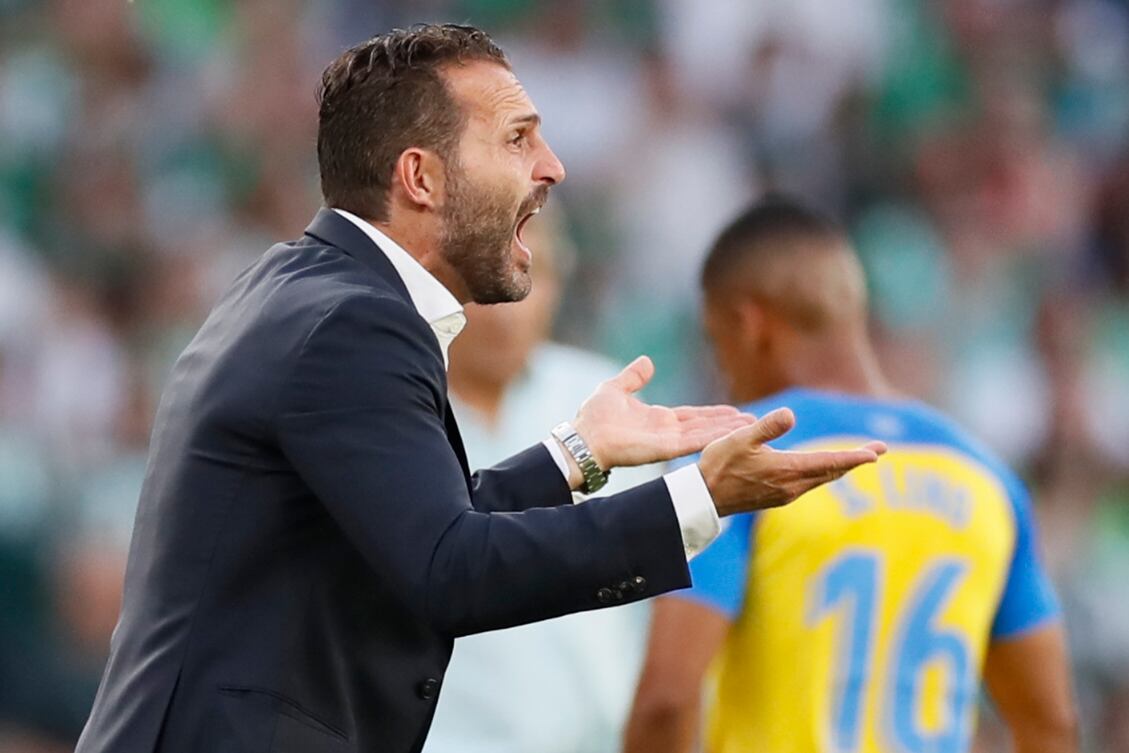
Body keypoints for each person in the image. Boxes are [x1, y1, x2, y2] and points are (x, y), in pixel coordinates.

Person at [75, 26, 885, 753]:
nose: (553, 166)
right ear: (421, 177)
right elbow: (449, 568)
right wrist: (696, 499)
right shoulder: (354, 323)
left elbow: (419, 523)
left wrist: (577, 454)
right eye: (517, 138)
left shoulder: (309, 291)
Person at [623, 197, 1077, 753]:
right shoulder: (987, 477)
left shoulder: (739, 464)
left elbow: (666, 702)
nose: (724, 375)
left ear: (751, 324)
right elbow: (1050, 722)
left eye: (719, 344)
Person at [425, 207, 657, 752]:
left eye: (534, 277)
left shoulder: (606, 401)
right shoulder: (400, 416)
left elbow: (652, 598)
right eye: (490, 285)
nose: (509, 311)